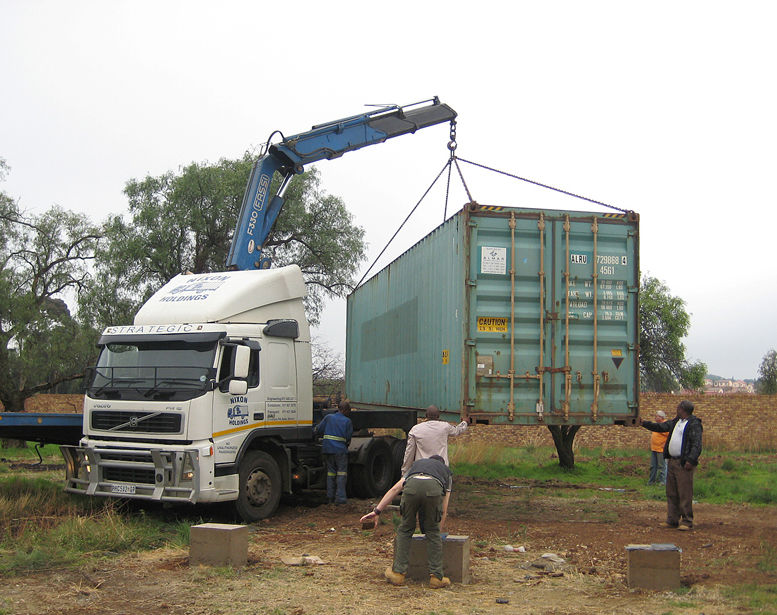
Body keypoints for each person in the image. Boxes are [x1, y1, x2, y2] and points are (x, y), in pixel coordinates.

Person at [360, 455, 453, 589]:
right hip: (434, 488)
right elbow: (444, 506)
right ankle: (436, 577)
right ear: (442, 464)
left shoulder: (416, 466)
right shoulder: (446, 472)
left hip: (412, 486)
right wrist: (438, 529)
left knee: (405, 529)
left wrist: (377, 511)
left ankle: (398, 574)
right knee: (432, 531)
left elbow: (395, 489)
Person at [640, 400, 703, 531]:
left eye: (678, 407)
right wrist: (643, 423)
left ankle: (687, 521)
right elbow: (661, 427)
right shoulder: (676, 422)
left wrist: (690, 461)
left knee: (684, 493)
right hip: (672, 461)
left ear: (683, 410)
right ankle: (672, 520)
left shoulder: (694, 424)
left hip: (683, 463)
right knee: (672, 492)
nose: (676, 409)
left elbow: (697, 445)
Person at [401, 405, 468, 474]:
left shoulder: (415, 429)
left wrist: (404, 472)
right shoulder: (445, 427)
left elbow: (409, 453)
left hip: (421, 468)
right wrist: (464, 422)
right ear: (438, 416)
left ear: (426, 415)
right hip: (440, 469)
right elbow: (458, 430)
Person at [314, 400, 353, 504]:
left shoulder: (328, 418)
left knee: (330, 473)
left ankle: (330, 497)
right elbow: (348, 437)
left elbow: (318, 430)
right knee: (341, 474)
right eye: (348, 410)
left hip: (328, 449)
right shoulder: (347, 421)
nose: (349, 413)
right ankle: (340, 499)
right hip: (340, 451)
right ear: (344, 410)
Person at [648, 410, 669, 485]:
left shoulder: (665, 425)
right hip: (654, 448)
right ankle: (651, 481)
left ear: (661, 417)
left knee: (662, 466)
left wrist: (665, 444)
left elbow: (669, 436)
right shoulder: (656, 425)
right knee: (653, 466)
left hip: (661, 449)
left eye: (657, 416)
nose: (655, 418)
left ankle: (662, 481)